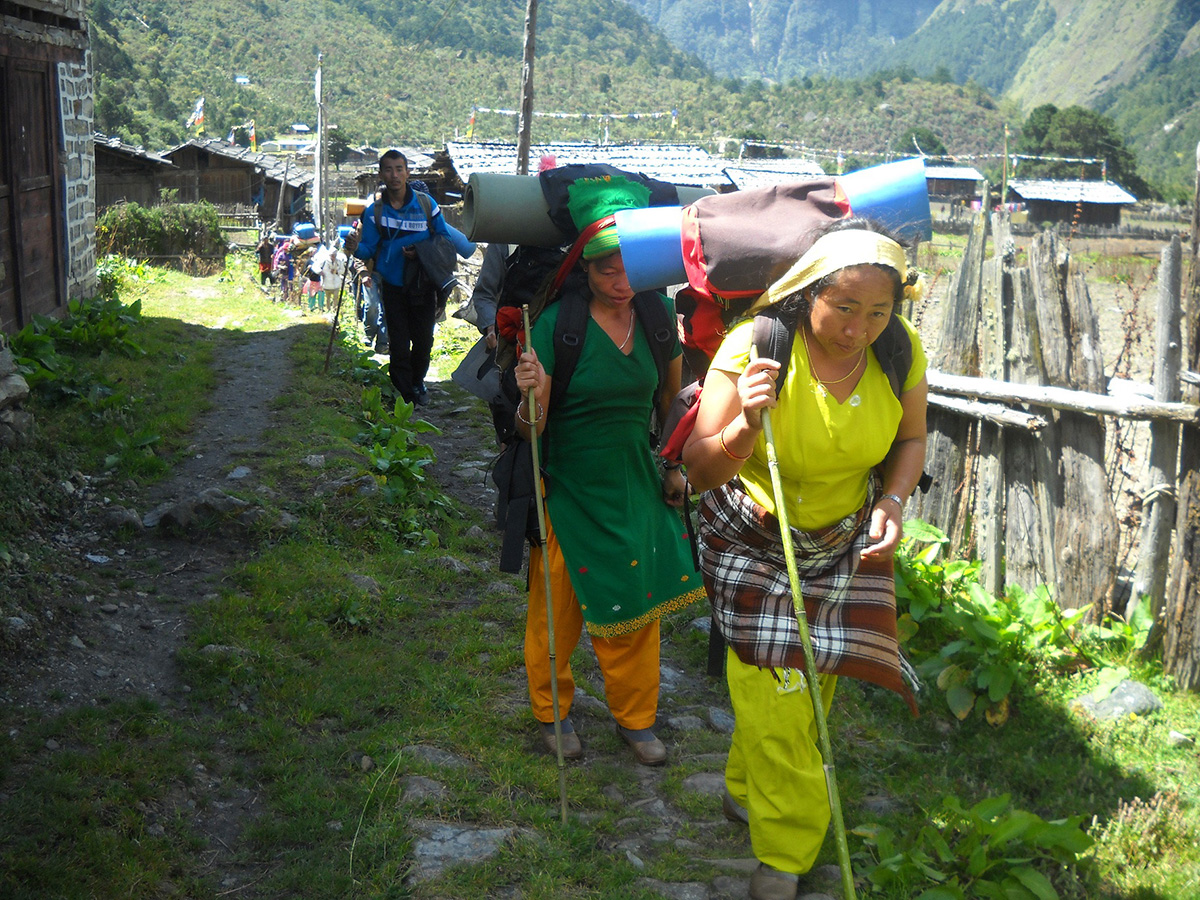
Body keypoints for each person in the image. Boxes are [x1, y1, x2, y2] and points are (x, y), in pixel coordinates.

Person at [681, 218, 928, 900]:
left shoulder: (899, 351)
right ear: (807, 292)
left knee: (811, 685)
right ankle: (787, 854)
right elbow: (697, 469)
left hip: (842, 542)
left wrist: (896, 501)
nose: (859, 328)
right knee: (782, 693)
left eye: (877, 312)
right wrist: (744, 424)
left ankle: (742, 788)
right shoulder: (755, 347)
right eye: (844, 307)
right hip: (755, 540)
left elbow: (910, 440)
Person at [512, 176, 705, 767]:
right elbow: (531, 430)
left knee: (634, 600)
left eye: (630, 270)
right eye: (605, 271)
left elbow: (669, 406)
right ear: (583, 270)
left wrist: (673, 468)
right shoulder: (554, 328)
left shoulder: (655, 324)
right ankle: (554, 712)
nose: (620, 284)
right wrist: (532, 394)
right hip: (567, 485)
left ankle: (636, 718)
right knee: (558, 608)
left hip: (631, 484)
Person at [343, 149, 457, 407]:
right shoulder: (375, 211)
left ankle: (418, 381)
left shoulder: (427, 205)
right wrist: (354, 247)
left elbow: (445, 241)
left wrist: (420, 252)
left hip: (423, 285)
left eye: (399, 169)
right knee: (398, 342)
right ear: (381, 174)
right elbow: (368, 250)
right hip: (392, 287)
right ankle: (405, 394)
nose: (394, 175)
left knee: (424, 340)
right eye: (388, 170)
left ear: (407, 172)